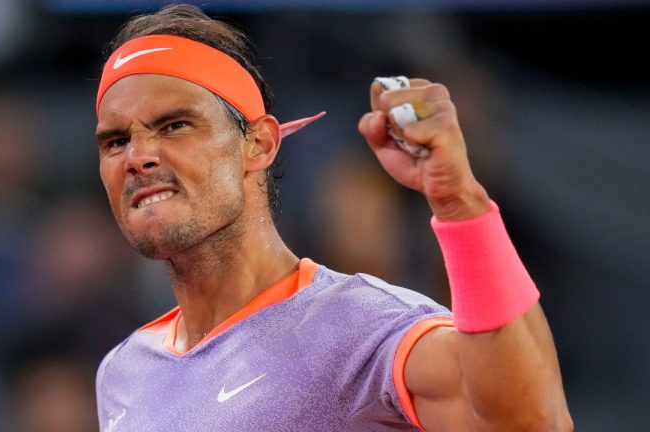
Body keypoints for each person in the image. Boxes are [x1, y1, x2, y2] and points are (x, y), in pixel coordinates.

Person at [92, 4, 572, 431]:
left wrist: (460, 204)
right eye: (115, 141)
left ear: (258, 144)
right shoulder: (121, 372)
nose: (137, 156)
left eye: (174, 125)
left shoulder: (361, 327)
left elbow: (531, 423)